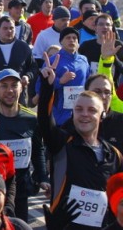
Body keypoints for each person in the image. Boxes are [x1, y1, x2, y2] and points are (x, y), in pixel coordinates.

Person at [38, 52, 123, 229]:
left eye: (91, 110)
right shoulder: (62, 142)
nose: (85, 114)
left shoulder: (113, 155)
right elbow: (45, 121)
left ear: (102, 115)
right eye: (79, 109)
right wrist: (48, 86)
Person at [0, 69, 49, 222]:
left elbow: (38, 150)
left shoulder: (30, 118)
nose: (9, 90)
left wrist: (42, 176)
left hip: (21, 190)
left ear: (21, 87)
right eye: (4, 86)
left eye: (14, 85)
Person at [34, 26, 90, 125]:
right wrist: (60, 81)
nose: (71, 40)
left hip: (80, 111)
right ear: (61, 42)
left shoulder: (83, 60)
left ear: (78, 43)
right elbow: (40, 87)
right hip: (59, 114)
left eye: (74, 38)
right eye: (68, 38)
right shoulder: (52, 60)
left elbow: (88, 83)